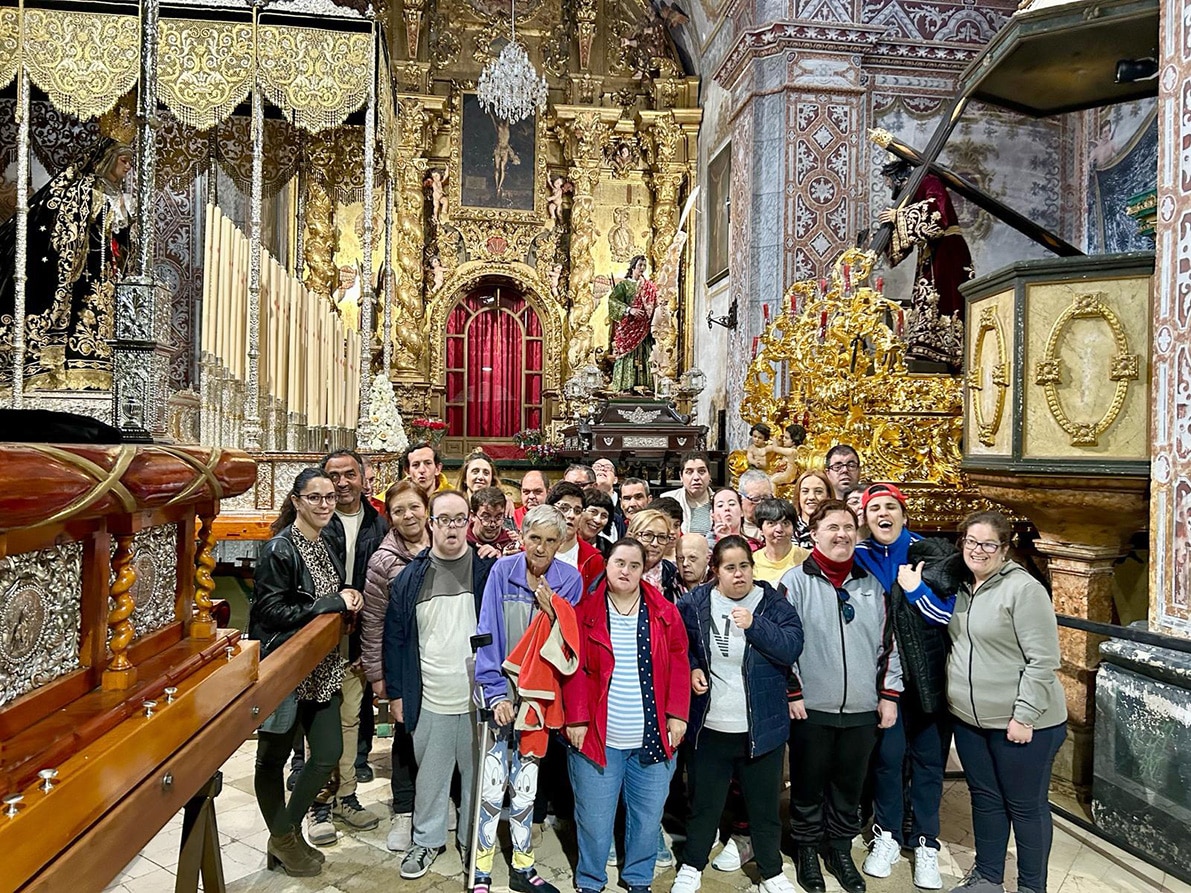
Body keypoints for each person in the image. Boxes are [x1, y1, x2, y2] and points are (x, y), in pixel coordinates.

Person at [941, 512, 1067, 893]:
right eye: (971, 542)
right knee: (986, 800)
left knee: (1025, 807)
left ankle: (1031, 887)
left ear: (1004, 548)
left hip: (1023, 722)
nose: (978, 550)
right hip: (969, 720)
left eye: (988, 544)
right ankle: (987, 877)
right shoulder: (962, 585)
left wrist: (1024, 716)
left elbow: (1043, 660)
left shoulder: (1023, 590)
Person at [672, 536, 804, 893]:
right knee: (704, 806)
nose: (739, 574)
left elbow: (792, 646)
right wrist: (693, 667)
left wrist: (755, 625)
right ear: (715, 571)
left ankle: (772, 871)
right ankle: (692, 865)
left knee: (763, 809)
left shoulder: (771, 602)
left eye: (744, 565)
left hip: (761, 728)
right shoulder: (695, 602)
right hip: (710, 727)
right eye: (730, 567)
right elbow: (678, 646)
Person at [781, 501, 902, 893]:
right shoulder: (795, 582)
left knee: (848, 787)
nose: (842, 535)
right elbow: (782, 645)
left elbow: (889, 645)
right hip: (811, 707)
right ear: (814, 534)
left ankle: (839, 848)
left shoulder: (871, 584)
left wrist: (888, 695)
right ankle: (806, 850)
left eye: (849, 527)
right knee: (808, 784)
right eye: (832, 527)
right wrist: (793, 691)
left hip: (862, 708)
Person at [250, 468, 365, 877]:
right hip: (286, 667)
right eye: (314, 498)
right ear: (297, 501)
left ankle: (283, 834)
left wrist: (346, 595)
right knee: (272, 759)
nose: (324, 505)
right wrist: (322, 606)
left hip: (322, 667)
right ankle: (285, 838)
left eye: (330, 497)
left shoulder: (326, 541)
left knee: (327, 753)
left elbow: (330, 591)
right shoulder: (281, 549)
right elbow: (269, 612)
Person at [563, 538, 691, 893]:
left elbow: (680, 662)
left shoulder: (664, 612)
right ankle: (590, 881)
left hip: (651, 737)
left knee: (648, 820)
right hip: (598, 738)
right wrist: (575, 718)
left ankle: (638, 880)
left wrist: (677, 714)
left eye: (634, 565)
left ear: (644, 570)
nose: (626, 571)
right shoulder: (583, 612)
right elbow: (571, 668)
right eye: (620, 562)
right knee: (594, 819)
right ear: (607, 564)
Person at [383, 490, 498, 879]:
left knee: (476, 779)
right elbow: (395, 638)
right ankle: (426, 840)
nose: (452, 527)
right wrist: (396, 694)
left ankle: (472, 839)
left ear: (471, 522)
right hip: (429, 695)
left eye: (460, 518)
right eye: (444, 519)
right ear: (430, 524)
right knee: (430, 779)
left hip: (477, 698)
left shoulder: (488, 572)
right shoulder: (409, 578)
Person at [473, 505, 583, 893]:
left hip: (538, 699)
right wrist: (496, 692)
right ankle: (481, 868)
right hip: (501, 692)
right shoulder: (502, 571)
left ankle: (523, 866)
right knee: (491, 785)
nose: (541, 548)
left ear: (561, 543)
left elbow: (566, 645)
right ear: (522, 537)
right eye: (535, 538)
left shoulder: (570, 580)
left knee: (525, 787)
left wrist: (552, 607)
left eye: (551, 541)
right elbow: (487, 633)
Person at [853, 484, 953, 890]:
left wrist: (916, 590)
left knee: (929, 763)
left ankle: (926, 841)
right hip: (882, 682)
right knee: (888, 760)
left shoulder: (931, 554)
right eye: (874, 507)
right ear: (865, 517)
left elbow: (947, 617)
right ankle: (888, 835)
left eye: (890, 507)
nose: (883, 514)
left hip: (928, 678)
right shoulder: (859, 558)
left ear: (903, 514)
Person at [1, 138, 135, 392]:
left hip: (105, 269)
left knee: (102, 320)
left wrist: (126, 225)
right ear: (107, 159)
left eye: (130, 162)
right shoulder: (84, 189)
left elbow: (120, 235)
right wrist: (106, 210)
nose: (128, 167)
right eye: (124, 160)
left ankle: (97, 369)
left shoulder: (117, 194)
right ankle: (68, 370)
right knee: (78, 314)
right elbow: (73, 224)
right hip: (82, 268)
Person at [309, 450, 387, 845]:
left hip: (358, 639)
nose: (341, 483)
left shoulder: (378, 522)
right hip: (319, 639)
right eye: (333, 476)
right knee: (319, 723)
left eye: (349, 475)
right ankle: (317, 803)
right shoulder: (314, 521)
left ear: (363, 477)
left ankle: (346, 795)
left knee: (350, 721)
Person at [361, 480, 430, 853]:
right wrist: (377, 675)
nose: (408, 515)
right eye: (399, 510)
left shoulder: (447, 545)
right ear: (390, 516)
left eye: (414, 507)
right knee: (404, 734)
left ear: (426, 507)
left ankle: (436, 801)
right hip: (403, 659)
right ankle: (404, 810)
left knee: (440, 734)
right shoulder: (383, 560)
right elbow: (372, 621)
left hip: (440, 660)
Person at [878, 158, 973, 371]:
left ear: (896, 176)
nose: (886, 185)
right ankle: (927, 345)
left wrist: (899, 216)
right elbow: (905, 240)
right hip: (932, 253)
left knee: (945, 298)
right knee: (926, 297)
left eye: (887, 180)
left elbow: (940, 213)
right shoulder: (911, 194)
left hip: (948, 252)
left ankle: (949, 350)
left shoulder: (928, 181)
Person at [607, 255, 659, 393]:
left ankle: (646, 385)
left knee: (645, 355)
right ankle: (626, 386)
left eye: (644, 265)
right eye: (640, 265)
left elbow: (655, 303)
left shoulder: (649, 287)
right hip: (629, 327)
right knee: (628, 356)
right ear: (633, 266)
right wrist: (629, 310)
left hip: (645, 328)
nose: (642, 268)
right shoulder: (624, 285)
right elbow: (613, 302)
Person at [546, 481, 606, 592]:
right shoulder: (531, 551)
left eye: (577, 511)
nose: (571, 515)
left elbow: (594, 603)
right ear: (549, 509)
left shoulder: (594, 560)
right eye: (564, 508)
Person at [627, 508, 684, 603]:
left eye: (662, 537)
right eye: (648, 535)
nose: (655, 543)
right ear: (631, 536)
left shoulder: (672, 574)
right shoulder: (618, 571)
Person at [750, 498, 809, 585]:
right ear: (760, 529)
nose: (779, 529)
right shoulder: (751, 562)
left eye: (785, 523)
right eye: (771, 523)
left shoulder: (807, 559)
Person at [662, 452, 713, 536]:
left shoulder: (719, 501)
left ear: (709, 475)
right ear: (681, 476)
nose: (696, 477)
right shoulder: (667, 499)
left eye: (702, 471)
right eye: (689, 472)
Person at [469, 485, 521, 554]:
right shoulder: (462, 543)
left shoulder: (510, 544)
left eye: (498, 517)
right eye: (486, 517)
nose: (493, 525)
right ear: (473, 516)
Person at [793, 470, 832, 548]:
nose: (811, 497)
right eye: (805, 491)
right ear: (798, 496)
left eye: (818, 491)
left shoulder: (837, 528)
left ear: (828, 496)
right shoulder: (787, 528)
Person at [737, 470, 774, 540]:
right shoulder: (735, 528)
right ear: (741, 499)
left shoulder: (779, 528)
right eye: (756, 499)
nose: (762, 503)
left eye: (766, 498)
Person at [579, 488, 617, 557]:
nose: (598, 520)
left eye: (604, 516)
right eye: (593, 512)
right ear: (580, 511)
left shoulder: (610, 550)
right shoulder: (561, 544)